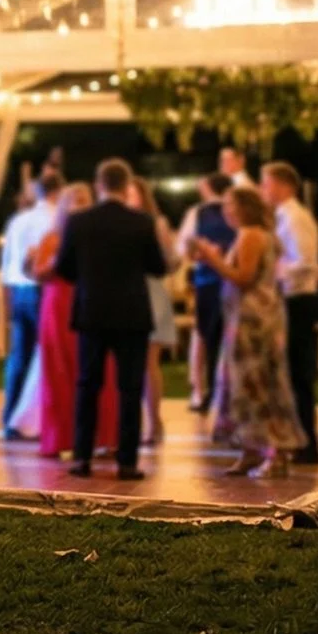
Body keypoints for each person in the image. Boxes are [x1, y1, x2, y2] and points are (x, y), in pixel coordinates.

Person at [53, 159, 167, 481]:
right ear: (126, 184)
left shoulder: (79, 221)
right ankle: (127, 462)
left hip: (92, 310)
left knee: (87, 384)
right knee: (130, 387)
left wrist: (89, 276)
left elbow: (64, 267)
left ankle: (82, 459)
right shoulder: (142, 221)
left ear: (99, 184)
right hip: (132, 313)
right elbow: (157, 267)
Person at [191, 184, 305, 477]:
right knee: (241, 385)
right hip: (243, 317)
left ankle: (276, 452)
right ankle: (250, 449)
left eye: (231, 205)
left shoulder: (252, 234)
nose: (226, 211)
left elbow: (243, 277)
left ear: (245, 207)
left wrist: (213, 258)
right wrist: (212, 258)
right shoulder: (250, 235)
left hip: (254, 321)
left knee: (259, 384)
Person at [13, 183, 93, 454]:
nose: (80, 206)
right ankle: (58, 438)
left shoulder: (94, 235)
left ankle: (91, 437)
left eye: (84, 201)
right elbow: (37, 272)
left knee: (89, 372)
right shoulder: (53, 237)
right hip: (57, 305)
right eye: (74, 201)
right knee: (57, 371)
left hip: (87, 302)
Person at [261, 162, 318, 465]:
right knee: (289, 375)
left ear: (284, 186)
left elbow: (305, 262)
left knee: (299, 375)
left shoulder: (296, 217)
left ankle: (308, 443)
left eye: (267, 184)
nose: (263, 190)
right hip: (289, 300)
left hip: (299, 301)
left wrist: (274, 274)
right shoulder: (282, 216)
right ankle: (295, 439)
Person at [0, 172, 60, 437]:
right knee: (44, 357)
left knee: (19, 356)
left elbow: (7, 260)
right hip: (42, 289)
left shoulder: (18, 220)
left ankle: (12, 418)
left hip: (19, 289)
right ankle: (39, 420)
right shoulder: (57, 219)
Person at [178, 173, 237, 416]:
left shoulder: (199, 212)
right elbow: (186, 246)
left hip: (219, 282)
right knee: (212, 338)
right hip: (215, 281)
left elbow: (183, 245)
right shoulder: (200, 212)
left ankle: (213, 393)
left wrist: (199, 252)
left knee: (212, 338)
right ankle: (214, 393)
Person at [126, 180, 177, 447]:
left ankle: (153, 421)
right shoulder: (118, 223)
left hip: (150, 292)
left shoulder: (156, 223)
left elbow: (171, 261)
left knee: (148, 363)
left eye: (131, 193)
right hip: (123, 293)